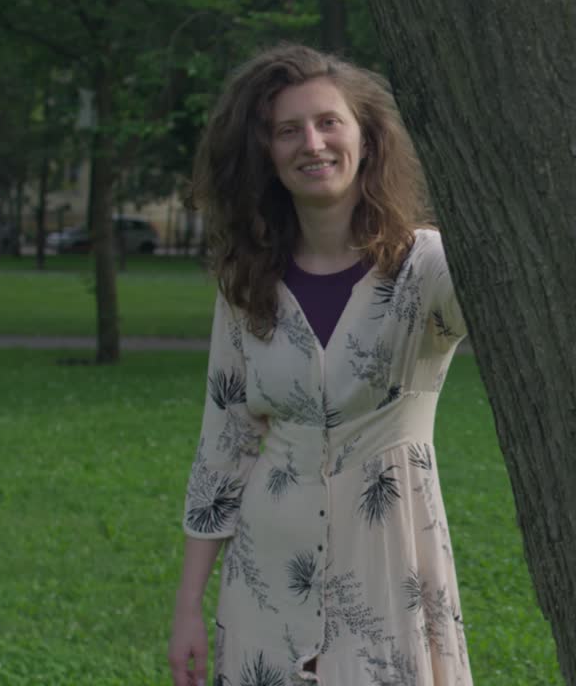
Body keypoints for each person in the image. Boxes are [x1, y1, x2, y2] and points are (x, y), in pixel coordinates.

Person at [167, 43, 472, 686]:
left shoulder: (429, 268)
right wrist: (189, 607)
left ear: (366, 137)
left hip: (389, 571)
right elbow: (224, 446)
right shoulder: (247, 283)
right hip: (265, 580)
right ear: (267, 155)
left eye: (329, 122)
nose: (313, 142)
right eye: (288, 130)